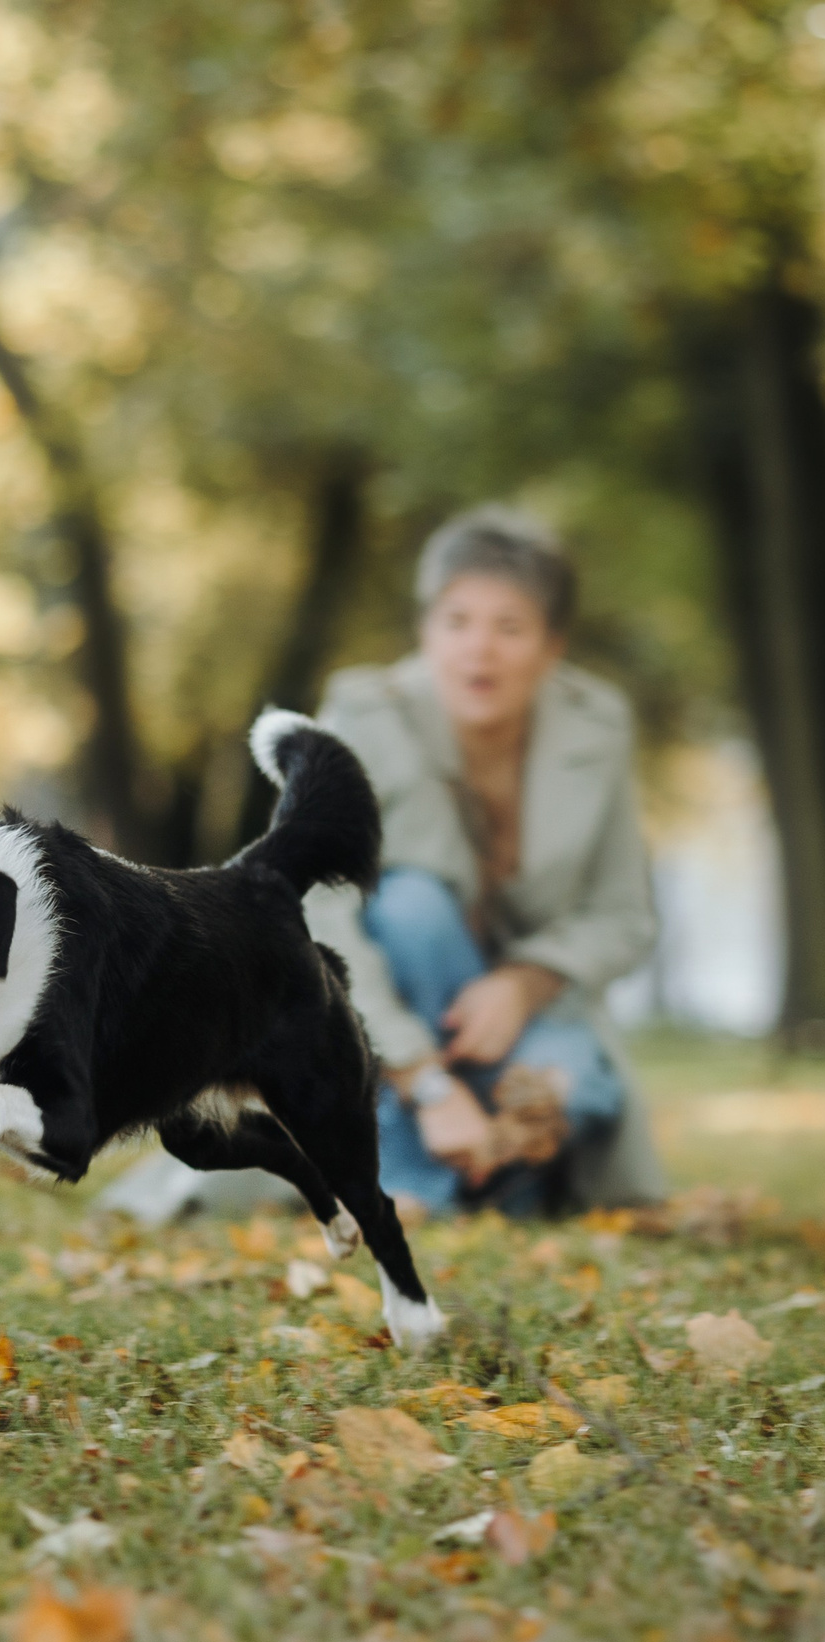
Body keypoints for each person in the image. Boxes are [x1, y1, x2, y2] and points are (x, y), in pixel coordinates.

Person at [299, 505, 663, 1215]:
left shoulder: (598, 724)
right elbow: (311, 914)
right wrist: (423, 1076)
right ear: (425, 629)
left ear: (553, 647)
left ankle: (446, 1176)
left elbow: (624, 915)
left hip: (534, 1018)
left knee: (572, 1082)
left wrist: (526, 982)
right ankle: (456, 1174)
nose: (479, 650)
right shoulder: (362, 716)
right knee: (411, 905)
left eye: (510, 627)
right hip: (383, 1022)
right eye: (457, 621)